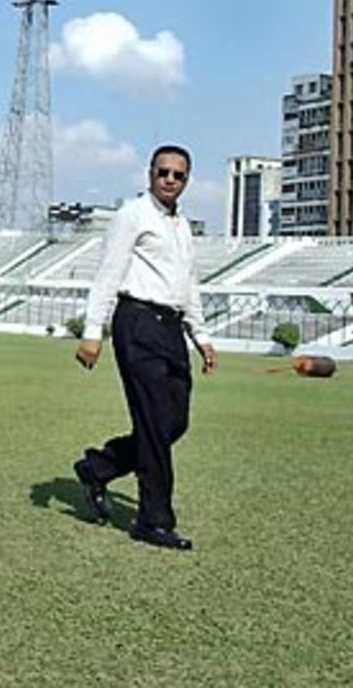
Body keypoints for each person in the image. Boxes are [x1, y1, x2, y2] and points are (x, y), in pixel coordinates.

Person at [71, 145, 216, 552]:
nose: (170, 180)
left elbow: (187, 284)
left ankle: (98, 467)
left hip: (170, 329)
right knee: (153, 423)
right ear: (150, 173)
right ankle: (154, 519)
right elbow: (109, 272)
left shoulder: (182, 225)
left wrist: (200, 336)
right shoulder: (132, 215)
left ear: (186, 180)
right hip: (137, 323)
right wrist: (92, 331)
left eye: (178, 175)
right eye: (163, 172)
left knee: (173, 424)